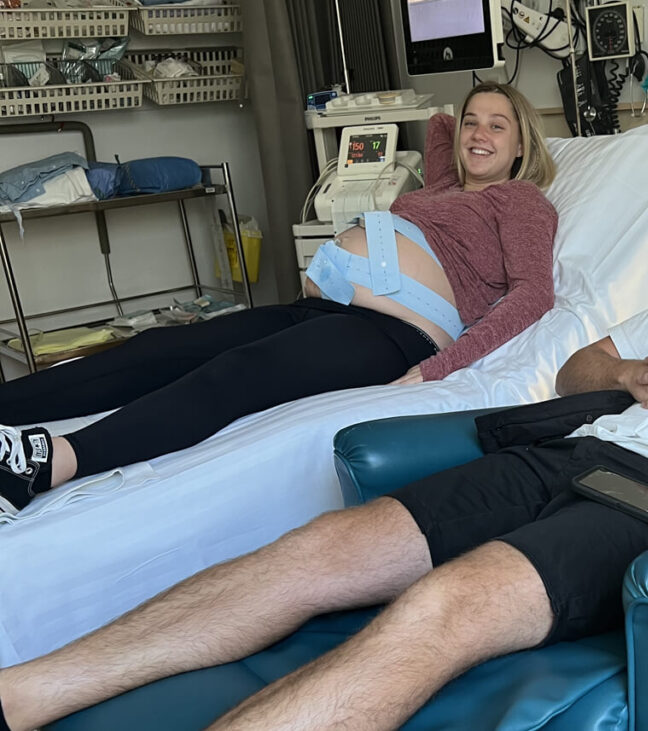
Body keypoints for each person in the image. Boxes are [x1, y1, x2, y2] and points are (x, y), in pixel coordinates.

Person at [0, 157, 648, 731]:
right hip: (569, 450)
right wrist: (632, 376)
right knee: (311, 551)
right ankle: (23, 690)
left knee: (448, 602)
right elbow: (579, 365)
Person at [0, 81, 558, 515]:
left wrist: (442, 367)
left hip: (392, 331)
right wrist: (466, 123)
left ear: (522, 146)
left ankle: (49, 465)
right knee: (163, 348)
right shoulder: (442, 188)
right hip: (325, 308)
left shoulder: (519, 199)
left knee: (237, 372)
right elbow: (438, 125)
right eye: (472, 122)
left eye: (498, 127)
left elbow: (533, 294)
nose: (477, 134)